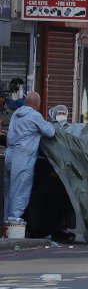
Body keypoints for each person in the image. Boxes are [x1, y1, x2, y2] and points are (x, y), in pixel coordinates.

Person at [4, 92, 55, 223]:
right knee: (20, 191)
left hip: (9, 156)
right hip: (23, 158)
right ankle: (13, 222)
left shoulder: (16, 113)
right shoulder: (34, 116)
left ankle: (5, 221)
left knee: (9, 191)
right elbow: (50, 132)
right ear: (37, 104)